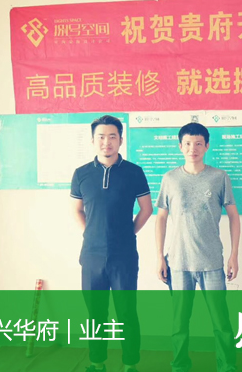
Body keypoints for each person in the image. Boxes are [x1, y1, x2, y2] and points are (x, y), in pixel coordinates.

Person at [155, 122, 240, 372]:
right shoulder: (170, 178)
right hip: (178, 263)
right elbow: (161, 218)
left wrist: (234, 255)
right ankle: (180, 365)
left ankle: (227, 365)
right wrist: (159, 257)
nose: (193, 148)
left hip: (212, 261)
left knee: (221, 321)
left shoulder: (219, 177)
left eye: (199, 143)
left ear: (207, 146)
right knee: (179, 323)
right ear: (180, 146)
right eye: (188, 143)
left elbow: (234, 216)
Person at [70, 115, 153, 372]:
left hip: (123, 255)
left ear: (121, 140)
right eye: (101, 137)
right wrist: (92, 234)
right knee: (96, 313)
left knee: (126, 312)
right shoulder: (81, 173)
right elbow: (77, 210)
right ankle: (97, 362)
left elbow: (147, 209)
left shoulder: (134, 172)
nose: (107, 142)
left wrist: (128, 233)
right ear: (93, 140)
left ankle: (130, 363)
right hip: (91, 256)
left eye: (112, 136)